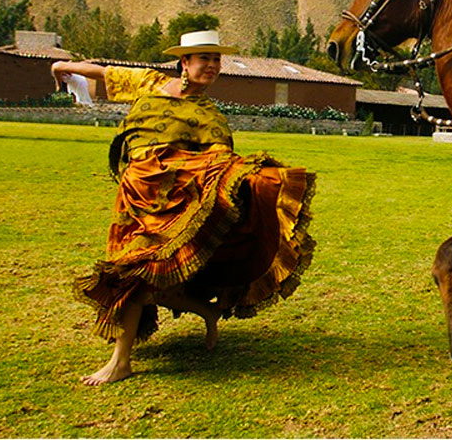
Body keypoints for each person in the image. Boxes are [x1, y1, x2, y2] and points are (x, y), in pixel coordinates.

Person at [52, 30, 316, 386]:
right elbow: (104, 71)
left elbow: (219, 166)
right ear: (185, 63)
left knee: (137, 271)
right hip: (135, 196)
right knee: (139, 279)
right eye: (203, 58)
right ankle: (205, 312)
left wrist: (259, 182)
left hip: (169, 206)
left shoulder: (210, 116)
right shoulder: (149, 82)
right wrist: (62, 66)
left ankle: (120, 362)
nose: (211, 65)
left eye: (216, 59)